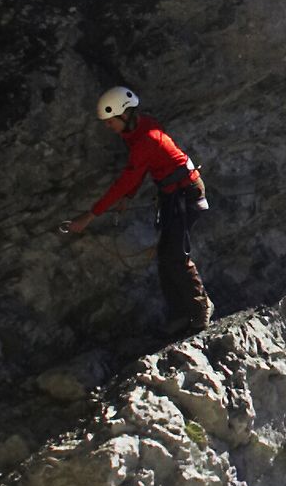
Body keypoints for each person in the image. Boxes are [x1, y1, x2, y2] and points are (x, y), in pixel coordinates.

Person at [63, 85, 210, 333]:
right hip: (175, 193)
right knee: (166, 257)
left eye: (111, 122)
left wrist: (89, 216)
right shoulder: (140, 130)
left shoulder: (145, 140)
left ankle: (201, 307)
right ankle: (181, 314)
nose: (109, 127)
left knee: (174, 255)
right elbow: (139, 172)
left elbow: (127, 179)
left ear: (124, 114)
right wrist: (128, 197)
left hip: (184, 194)